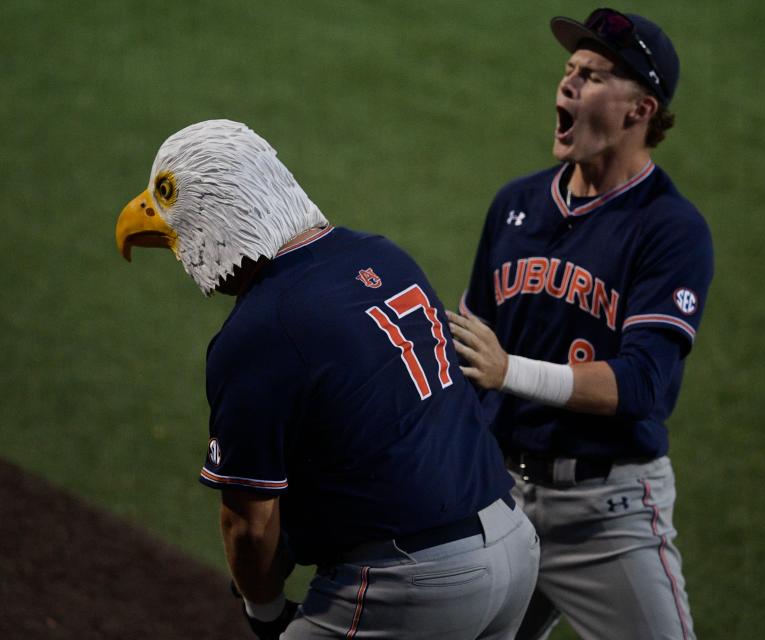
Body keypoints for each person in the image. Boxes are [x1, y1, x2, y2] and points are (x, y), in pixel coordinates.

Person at [114, 119, 539, 640]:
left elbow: (247, 525)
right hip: (514, 545)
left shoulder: (260, 329)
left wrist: (264, 612)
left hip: (417, 585)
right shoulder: (384, 255)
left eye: (167, 193)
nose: (143, 211)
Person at [447, 9, 713, 640]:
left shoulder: (671, 229)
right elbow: (469, 352)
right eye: (568, 71)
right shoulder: (515, 203)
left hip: (607, 518)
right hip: (501, 502)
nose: (567, 85)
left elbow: (644, 383)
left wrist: (511, 372)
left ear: (639, 110)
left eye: (591, 76)